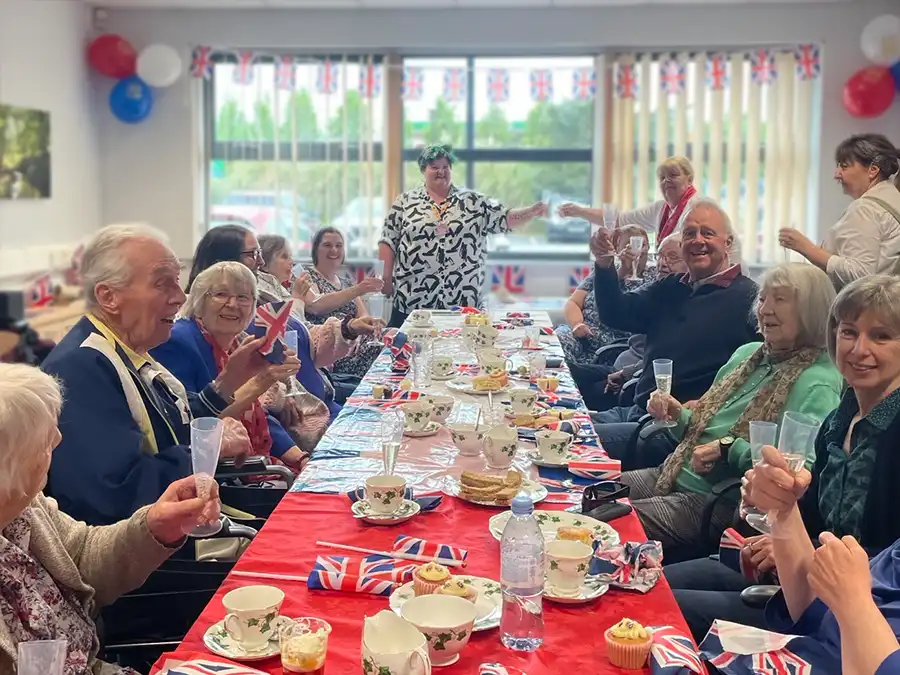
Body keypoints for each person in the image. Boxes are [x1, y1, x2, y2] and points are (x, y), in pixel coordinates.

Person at [669, 274, 900, 642]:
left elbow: (893, 566)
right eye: (849, 332)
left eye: (881, 336)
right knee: (657, 585)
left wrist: (805, 552)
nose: (859, 349)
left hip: (859, 617)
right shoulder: (839, 419)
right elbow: (813, 516)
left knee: (667, 610)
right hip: (797, 576)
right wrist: (780, 519)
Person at [0, 363, 222, 675]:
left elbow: (80, 556)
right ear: (9, 472)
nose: (60, 440)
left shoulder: (25, 507)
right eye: (44, 440)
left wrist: (155, 526)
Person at [616, 263, 841, 552]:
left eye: (780, 299)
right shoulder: (748, 354)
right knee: (586, 497)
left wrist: (728, 448)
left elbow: (796, 475)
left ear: (811, 310)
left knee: (609, 523)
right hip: (671, 473)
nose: (765, 309)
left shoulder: (817, 381)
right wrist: (676, 415)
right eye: (762, 299)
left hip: (715, 499)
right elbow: (698, 432)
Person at [42, 225, 257, 526]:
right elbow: (114, 495)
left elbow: (166, 426)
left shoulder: (127, 348)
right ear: (109, 296)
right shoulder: (82, 367)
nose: (180, 298)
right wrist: (209, 449)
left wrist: (226, 385)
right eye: (162, 284)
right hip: (150, 558)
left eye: (177, 282)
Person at [697, 444, 900, 675]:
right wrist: (783, 510)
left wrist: (854, 601)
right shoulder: (836, 424)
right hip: (789, 634)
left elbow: (850, 600)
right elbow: (815, 609)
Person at [188, 225, 383, 444]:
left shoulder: (268, 289)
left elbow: (304, 339)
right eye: (253, 254)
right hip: (306, 420)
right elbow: (243, 391)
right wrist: (280, 396)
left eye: (260, 253)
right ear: (223, 260)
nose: (260, 261)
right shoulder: (231, 318)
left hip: (320, 401)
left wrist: (348, 328)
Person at [587, 199, 760, 441]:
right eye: (690, 234)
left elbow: (766, 372)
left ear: (728, 243)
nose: (697, 240)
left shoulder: (750, 298)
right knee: (555, 425)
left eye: (707, 233)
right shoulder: (671, 286)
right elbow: (615, 312)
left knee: (574, 440)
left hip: (676, 427)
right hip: (635, 412)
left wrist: (709, 406)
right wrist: (604, 264)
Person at [151, 262, 309, 470]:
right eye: (221, 294)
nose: (233, 304)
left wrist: (301, 458)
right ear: (199, 301)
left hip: (255, 462)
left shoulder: (236, 342)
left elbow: (257, 412)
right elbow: (194, 425)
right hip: (220, 474)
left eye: (243, 297)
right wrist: (265, 378)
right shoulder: (178, 341)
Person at [379, 144, 547, 327]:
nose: (441, 172)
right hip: (412, 301)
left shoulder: (474, 202)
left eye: (445, 167)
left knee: (463, 353)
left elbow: (504, 219)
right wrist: (386, 279)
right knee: (406, 352)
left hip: (463, 304)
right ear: (423, 170)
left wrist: (530, 212)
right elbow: (388, 241)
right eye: (434, 167)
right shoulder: (405, 202)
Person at [565, 232, 686, 411]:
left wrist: (626, 374)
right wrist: (606, 263)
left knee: (576, 391)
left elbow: (666, 358)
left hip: (637, 379)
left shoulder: (685, 301)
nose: (662, 262)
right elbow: (612, 310)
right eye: (660, 256)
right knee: (565, 370)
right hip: (625, 366)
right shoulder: (661, 289)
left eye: (672, 257)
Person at [780, 134, 900, 290]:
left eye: (844, 166)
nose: (836, 174)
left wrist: (807, 248)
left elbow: (860, 275)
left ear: (873, 170)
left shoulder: (866, 209)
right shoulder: (893, 201)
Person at [560, 156, 702, 246]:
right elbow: (618, 220)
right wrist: (579, 211)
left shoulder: (699, 208)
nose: (666, 181)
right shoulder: (660, 208)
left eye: (673, 175)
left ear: (689, 179)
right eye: (662, 177)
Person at [303, 227, 384, 378]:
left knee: (396, 337)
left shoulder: (346, 282)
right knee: (386, 351)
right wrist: (358, 289)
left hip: (357, 342)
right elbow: (315, 305)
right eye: (327, 245)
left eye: (338, 246)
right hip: (332, 349)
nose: (334, 250)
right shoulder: (307, 276)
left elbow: (363, 317)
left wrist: (367, 329)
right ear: (315, 249)